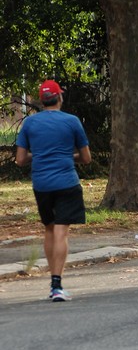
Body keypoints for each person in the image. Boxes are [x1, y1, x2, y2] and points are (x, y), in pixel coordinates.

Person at [16, 79, 91, 302]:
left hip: (41, 185)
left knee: (49, 229)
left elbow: (20, 160)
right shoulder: (72, 121)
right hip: (66, 182)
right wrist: (68, 156)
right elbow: (86, 158)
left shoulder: (30, 124)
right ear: (59, 98)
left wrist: (39, 156)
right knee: (61, 232)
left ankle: (53, 281)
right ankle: (56, 285)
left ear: (41, 101)